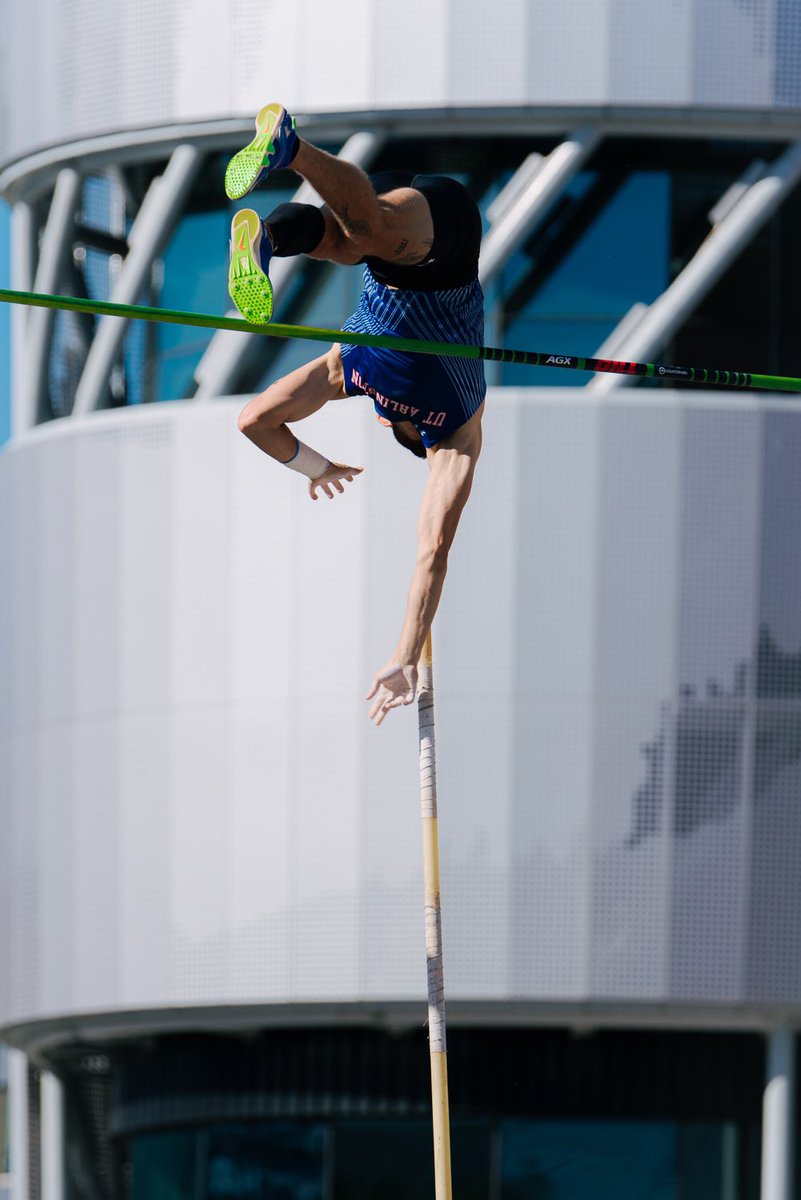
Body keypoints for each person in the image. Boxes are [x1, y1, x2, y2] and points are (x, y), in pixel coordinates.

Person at [226, 103, 486, 726]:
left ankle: (265, 239)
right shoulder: (456, 434)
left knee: (343, 243)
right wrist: (404, 655)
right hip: (446, 249)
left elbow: (253, 420)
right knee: (366, 236)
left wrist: (317, 469)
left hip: (388, 238)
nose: (378, 417)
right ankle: (289, 148)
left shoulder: (350, 371)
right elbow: (432, 551)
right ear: (400, 431)